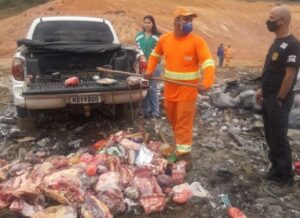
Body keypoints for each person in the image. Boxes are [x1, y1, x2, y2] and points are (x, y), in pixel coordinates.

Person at [145, 7, 215, 169]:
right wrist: (149, 70)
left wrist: (207, 81)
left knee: (183, 122)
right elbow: (155, 55)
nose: (190, 23)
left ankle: (185, 158)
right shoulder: (165, 39)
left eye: (191, 20)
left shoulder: (197, 41)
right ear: (176, 21)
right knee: (173, 120)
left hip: (187, 91)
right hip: (170, 90)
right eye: (186, 19)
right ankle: (180, 148)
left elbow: (208, 62)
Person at [255, 5, 300, 187]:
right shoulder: (277, 41)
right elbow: (272, 70)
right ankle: (275, 167)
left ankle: (285, 175)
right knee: (270, 134)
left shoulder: (293, 44)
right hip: (269, 95)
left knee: (279, 136)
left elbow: (289, 75)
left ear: (282, 21)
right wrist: (262, 88)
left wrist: (280, 98)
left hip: (279, 98)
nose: (269, 21)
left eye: (272, 17)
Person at [135, 15, 161, 119]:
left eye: (149, 23)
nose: (147, 24)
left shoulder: (158, 37)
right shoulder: (138, 36)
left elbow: (159, 52)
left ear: (153, 24)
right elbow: (138, 50)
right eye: (145, 22)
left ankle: (155, 112)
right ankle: (144, 110)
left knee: (153, 89)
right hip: (143, 66)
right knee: (144, 88)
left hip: (155, 66)